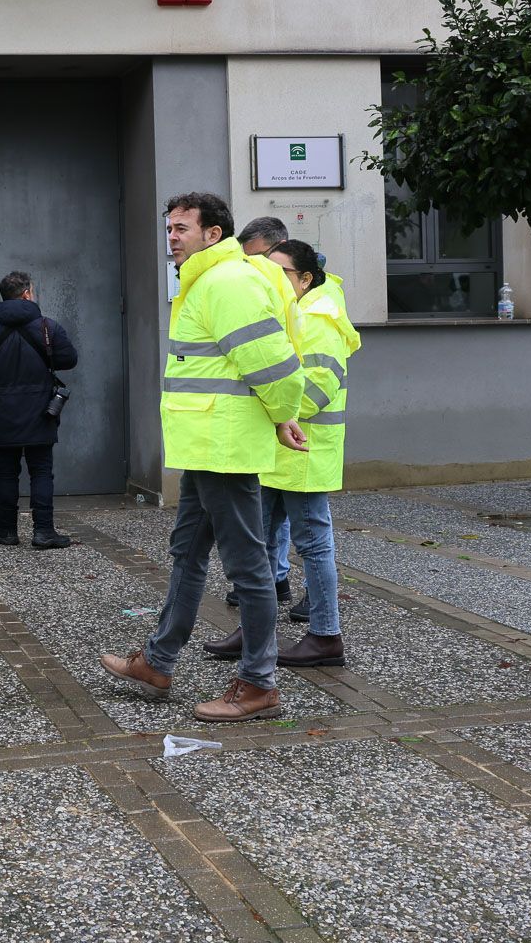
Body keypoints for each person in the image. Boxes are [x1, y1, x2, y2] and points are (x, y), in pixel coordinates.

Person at [98, 192, 307, 723]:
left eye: (182, 228)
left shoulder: (226, 282)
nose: (171, 237)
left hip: (224, 447)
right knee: (187, 552)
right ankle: (157, 661)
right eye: (169, 228)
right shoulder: (205, 279)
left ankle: (259, 684)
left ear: (214, 234)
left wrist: (284, 414)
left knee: (248, 567)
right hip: (206, 445)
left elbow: (271, 361)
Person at [205, 239, 359, 666]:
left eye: (280, 273)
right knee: (261, 544)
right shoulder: (292, 310)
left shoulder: (322, 317)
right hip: (277, 450)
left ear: (305, 279)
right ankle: (255, 630)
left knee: (313, 546)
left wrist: (272, 410)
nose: (270, 279)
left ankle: (325, 635)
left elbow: (318, 388)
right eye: (264, 271)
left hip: (304, 451)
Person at [0, 271, 79, 550]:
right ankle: (44, 531)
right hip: (40, 410)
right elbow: (69, 359)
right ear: (26, 294)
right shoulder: (47, 326)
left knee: (6, 472)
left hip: (1, 410)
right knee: (41, 471)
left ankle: (6, 530)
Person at [225, 215, 291, 604]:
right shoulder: (267, 288)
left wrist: (283, 415)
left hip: (293, 428)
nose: (252, 267)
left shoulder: (303, 295)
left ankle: (268, 587)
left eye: (257, 258)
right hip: (278, 426)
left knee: (297, 526)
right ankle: (274, 580)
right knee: (271, 516)